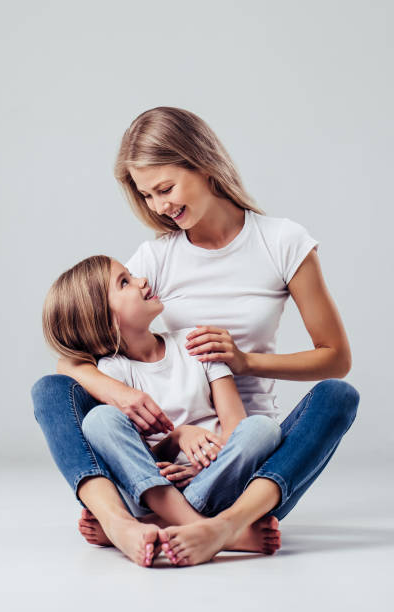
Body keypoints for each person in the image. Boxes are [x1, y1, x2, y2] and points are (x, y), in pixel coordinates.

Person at [32, 106, 360, 567]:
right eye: (147, 195)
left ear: (203, 164)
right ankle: (124, 520)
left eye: (165, 188)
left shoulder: (282, 242)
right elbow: (78, 350)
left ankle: (216, 522)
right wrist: (125, 399)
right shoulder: (156, 258)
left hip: (248, 461)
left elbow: (335, 358)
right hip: (158, 460)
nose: (159, 206)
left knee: (337, 396)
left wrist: (246, 362)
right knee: (51, 390)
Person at [41, 254, 282, 567]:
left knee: (263, 429)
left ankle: (162, 522)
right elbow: (136, 459)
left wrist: (203, 467)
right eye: (124, 282)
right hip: (155, 484)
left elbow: (236, 424)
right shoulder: (112, 373)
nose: (142, 281)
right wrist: (177, 437)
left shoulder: (196, 342)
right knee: (101, 420)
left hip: (216, 475)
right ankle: (214, 529)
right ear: (106, 318)